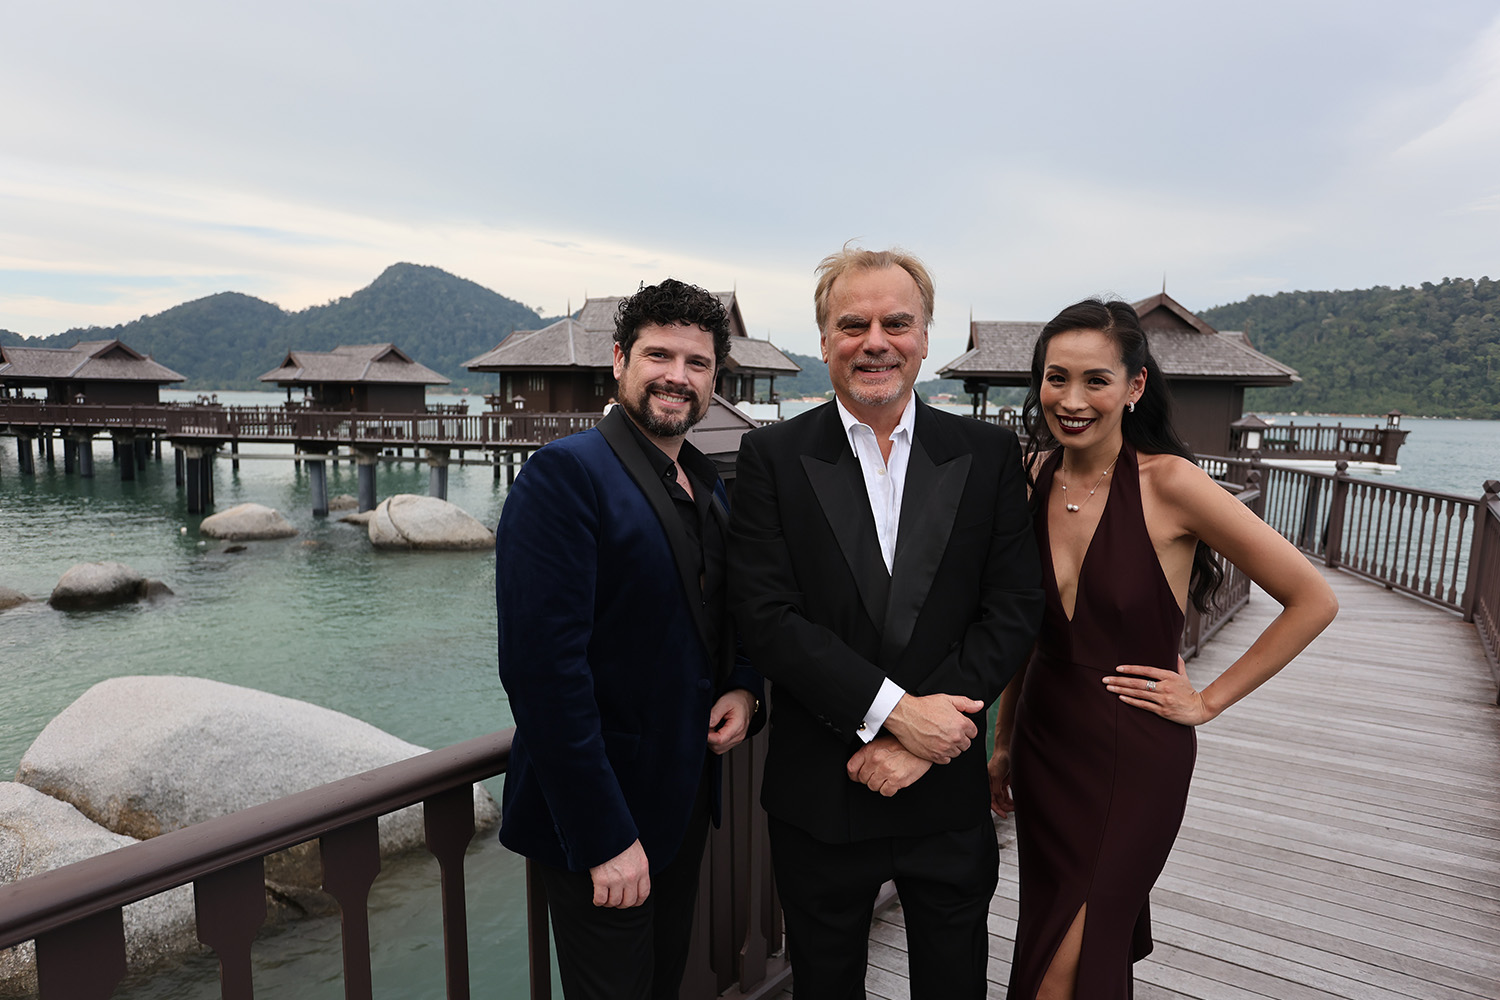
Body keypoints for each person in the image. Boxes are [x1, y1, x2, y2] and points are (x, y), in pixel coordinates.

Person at [987, 298, 1339, 1000]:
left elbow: (1314, 599)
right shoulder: (1030, 477)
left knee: (1066, 966)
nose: (1072, 399)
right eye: (1056, 378)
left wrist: (1209, 699)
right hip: (1045, 744)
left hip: (1133, 752)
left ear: (1134, 386)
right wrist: (1003, 739)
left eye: (1096, 380)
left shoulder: (1170, 484)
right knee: (1052, 934)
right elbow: (1026, 631)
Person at [729, 246, 1045, 998]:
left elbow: (1013, 609)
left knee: (954, 983)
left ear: (926, 337)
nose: (875, 341)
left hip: (945, 792)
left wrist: (922, 748)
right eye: (853, 324)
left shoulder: (988, 454)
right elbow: (767, 618)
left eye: (896, 322)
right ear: (825, 340)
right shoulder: (771, 456)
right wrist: (900, 715)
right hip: (822, 790)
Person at [495, 278, 764, 1000]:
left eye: (698, 363)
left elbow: (718, 609)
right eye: (659, 355)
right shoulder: (566, 476)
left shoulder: (705, 483)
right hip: (602, 825)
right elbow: (541, 673)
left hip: (677, 806)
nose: (678, 376)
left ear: (715, 378)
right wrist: (604, 837)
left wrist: (743, 682)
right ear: (619, 361)